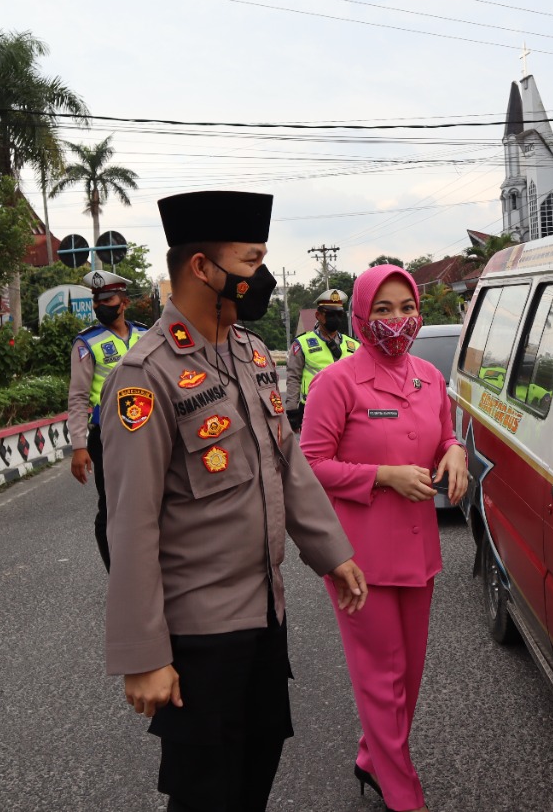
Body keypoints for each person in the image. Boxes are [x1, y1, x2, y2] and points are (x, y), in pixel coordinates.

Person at [100, 190, 368, 812]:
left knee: (255, 773)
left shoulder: (249, 353)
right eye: (250, 263)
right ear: (201, 268)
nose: (262, 278)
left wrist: (331, 551)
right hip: (199, 633)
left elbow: (288, 461)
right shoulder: (147, 375)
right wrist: (143, 654)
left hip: (264, 616)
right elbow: (131, 521)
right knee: (205, 795)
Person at [299, 264, 468, 812]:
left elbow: (444, 432)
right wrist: (381, 476)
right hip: (358, 556)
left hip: (418, 550)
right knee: (381, 676)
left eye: (405, 308)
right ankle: (403, 792)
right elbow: (308, 464)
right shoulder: (337, 381)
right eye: (383, 310)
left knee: (410, 675)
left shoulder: (429, 377)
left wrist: (455, 450)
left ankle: (373, 756)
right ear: (361, 316)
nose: (398, 321)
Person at [66, 269, 148, 571]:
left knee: (156, 502)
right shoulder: (87, 343)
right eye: (97, 300)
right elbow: (77, 397)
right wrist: (78, 446)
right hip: (108, 437)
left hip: (148, 433)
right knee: (112, 507)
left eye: (108, 299)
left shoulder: (146, 336)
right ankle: (118, 575)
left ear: (124, 302)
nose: (102, 305)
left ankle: (154, 570)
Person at [284, 288, 360, 431]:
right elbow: (293, 378)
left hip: (348, 411)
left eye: (339, 314)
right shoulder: (302, 343)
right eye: (330, 314)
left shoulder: (353, 345)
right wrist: (292, 411)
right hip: (313, 410)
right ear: (318, 315)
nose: (335, 318)